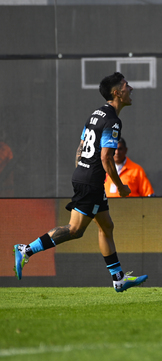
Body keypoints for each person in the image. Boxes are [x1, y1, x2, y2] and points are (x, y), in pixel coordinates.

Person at [13, 72, 148, 292]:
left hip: (84, 176)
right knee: (75, 229)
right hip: (92, 181)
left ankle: (119, 279)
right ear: (116, 93)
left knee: (106, 226)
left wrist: (82, 170)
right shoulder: (113, 120)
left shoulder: (95, 114)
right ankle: (26, 250)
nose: (130, 89)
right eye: (126, 86)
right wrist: (121, 186)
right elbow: (106, 157)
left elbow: (81, 146)